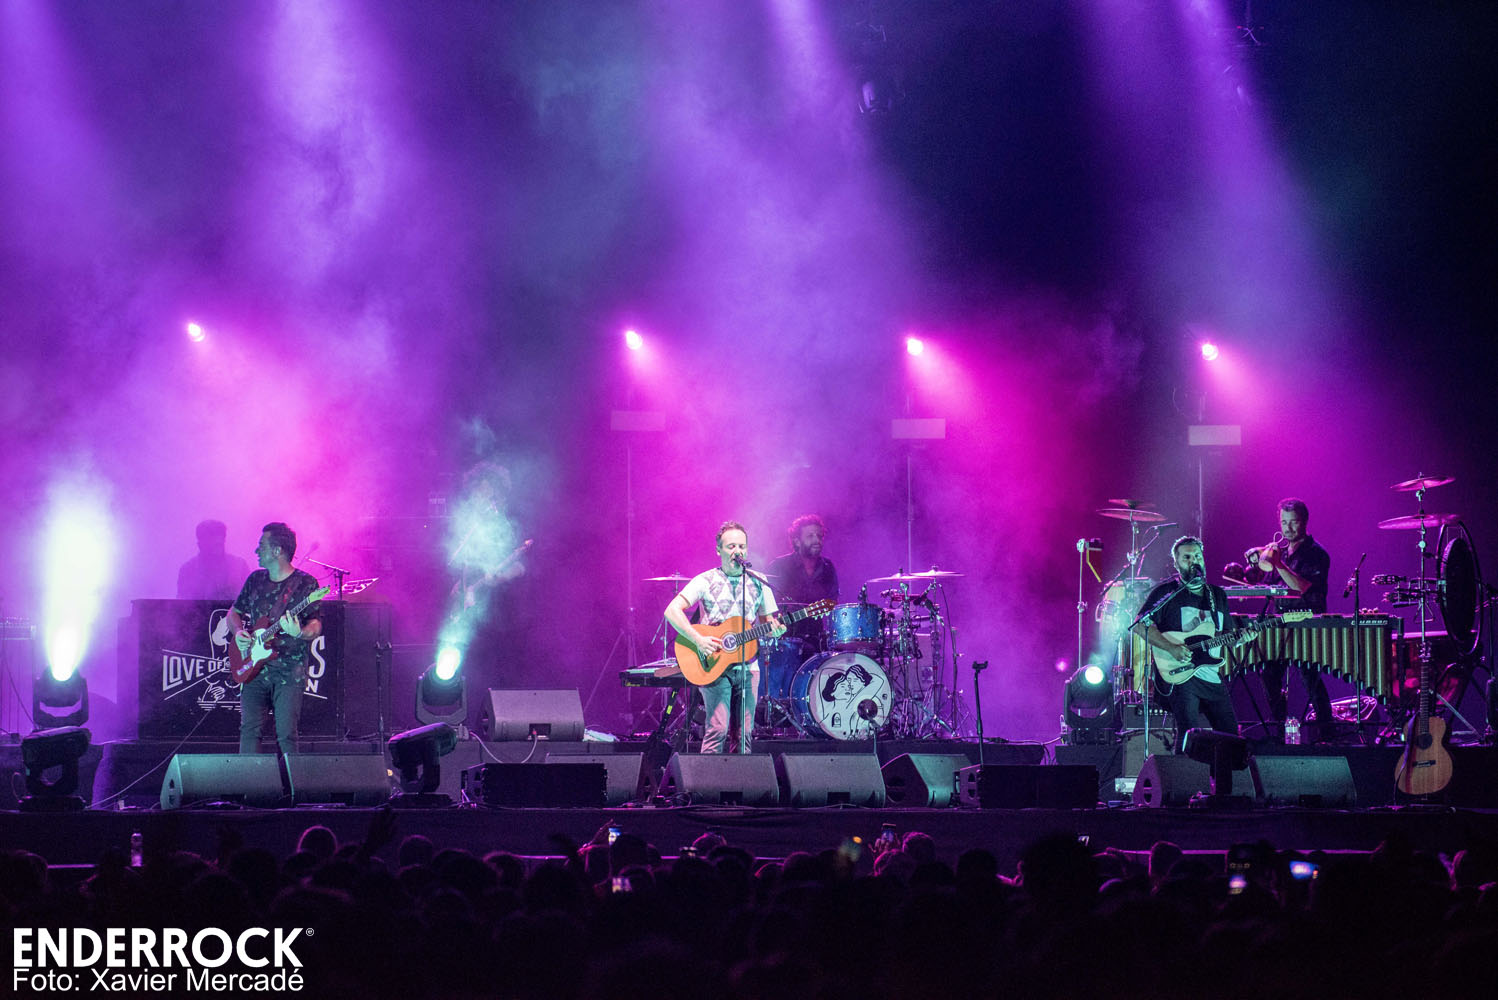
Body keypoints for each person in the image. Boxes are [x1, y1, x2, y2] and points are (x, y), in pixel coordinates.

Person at [663, 521, 784, 754]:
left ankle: (740, 777)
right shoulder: (705, 580)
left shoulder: (759, 581)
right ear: (718, 550)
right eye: (731, 546)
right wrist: (698, 639)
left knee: (744, 734)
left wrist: (775, 629)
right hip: (714, 664)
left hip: (749, 667)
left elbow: (767, 624)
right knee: (717, 729)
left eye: (741, 546)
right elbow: (672, 610)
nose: (737, 551)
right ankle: (707, 778)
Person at [229, 522, 323, 755]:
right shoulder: (255, 580)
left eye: (261, 545)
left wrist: (299, 632)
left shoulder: (306, 584)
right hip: (254, 669)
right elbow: (233, 613)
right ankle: (249, 779)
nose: (256, 550)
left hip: (289, 671)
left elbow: (315, 625)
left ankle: (289, 779)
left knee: (286, 734)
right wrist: (238, 632)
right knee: (249, 730)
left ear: (277, 550)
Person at [1134, 535, 1240, 740]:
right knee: (1189, 736)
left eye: (1198, 556)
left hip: (1210, 674)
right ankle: (1184, 762)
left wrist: (1242, 637)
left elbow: (1228, 634)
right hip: (1181, 674)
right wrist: (1171, 648)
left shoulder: (1217, 594)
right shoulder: (1167, 592)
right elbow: (1140, 624)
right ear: (1176, 564)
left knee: (1231, 736)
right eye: (1187, 558)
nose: (1194, 562)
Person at [1252, 497, 1334, 738]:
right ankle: (1278, 732)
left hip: (1306, 622)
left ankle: (1327, 733)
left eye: (1293, 522)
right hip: (1279, 622)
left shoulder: (1317, 553)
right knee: (1269, 674)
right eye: (1283, 522)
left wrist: (1277, 564)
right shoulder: (1281, 553)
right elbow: (1269, 587)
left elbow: (1301, 587)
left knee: (1310, 679)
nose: (1287, 528)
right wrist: (1254, 568)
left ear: (1305, 522)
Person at [177, 520, 250, 600]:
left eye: (220, 543)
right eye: (211, 541)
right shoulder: (187, 570)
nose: (218, 543)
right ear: (200, 544)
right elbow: (181, 602)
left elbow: (251, 597)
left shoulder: (239, 566)